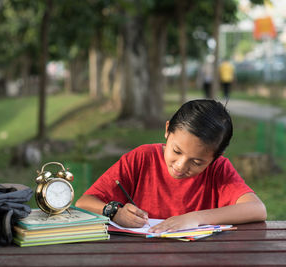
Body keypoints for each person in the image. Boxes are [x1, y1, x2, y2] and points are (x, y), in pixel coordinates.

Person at [75, 99, 267, 233]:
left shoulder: (218, 169)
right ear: (167, 130)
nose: (181, 166)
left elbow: (257, 209)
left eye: (197, 162)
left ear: (216, 158)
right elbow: (84, 202)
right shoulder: (142, 158)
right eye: (176, 151)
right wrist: (115, 212)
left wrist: (195, 218)